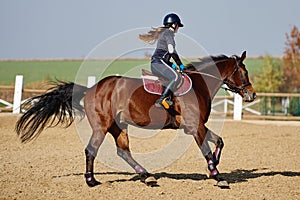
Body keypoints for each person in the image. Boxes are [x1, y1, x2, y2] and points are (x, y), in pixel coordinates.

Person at [139, 13, 185, 109]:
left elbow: (167, 54)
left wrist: (172, 65)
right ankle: (162, 99)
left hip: (158, 63)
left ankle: (168, 99)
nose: (178, 28)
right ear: (174, 24)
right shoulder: (168, 33)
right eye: (178, 26)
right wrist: (180, 64)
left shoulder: (165, 33)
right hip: (159, 63)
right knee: (176, 77)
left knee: (172, 75)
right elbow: (171, 51)